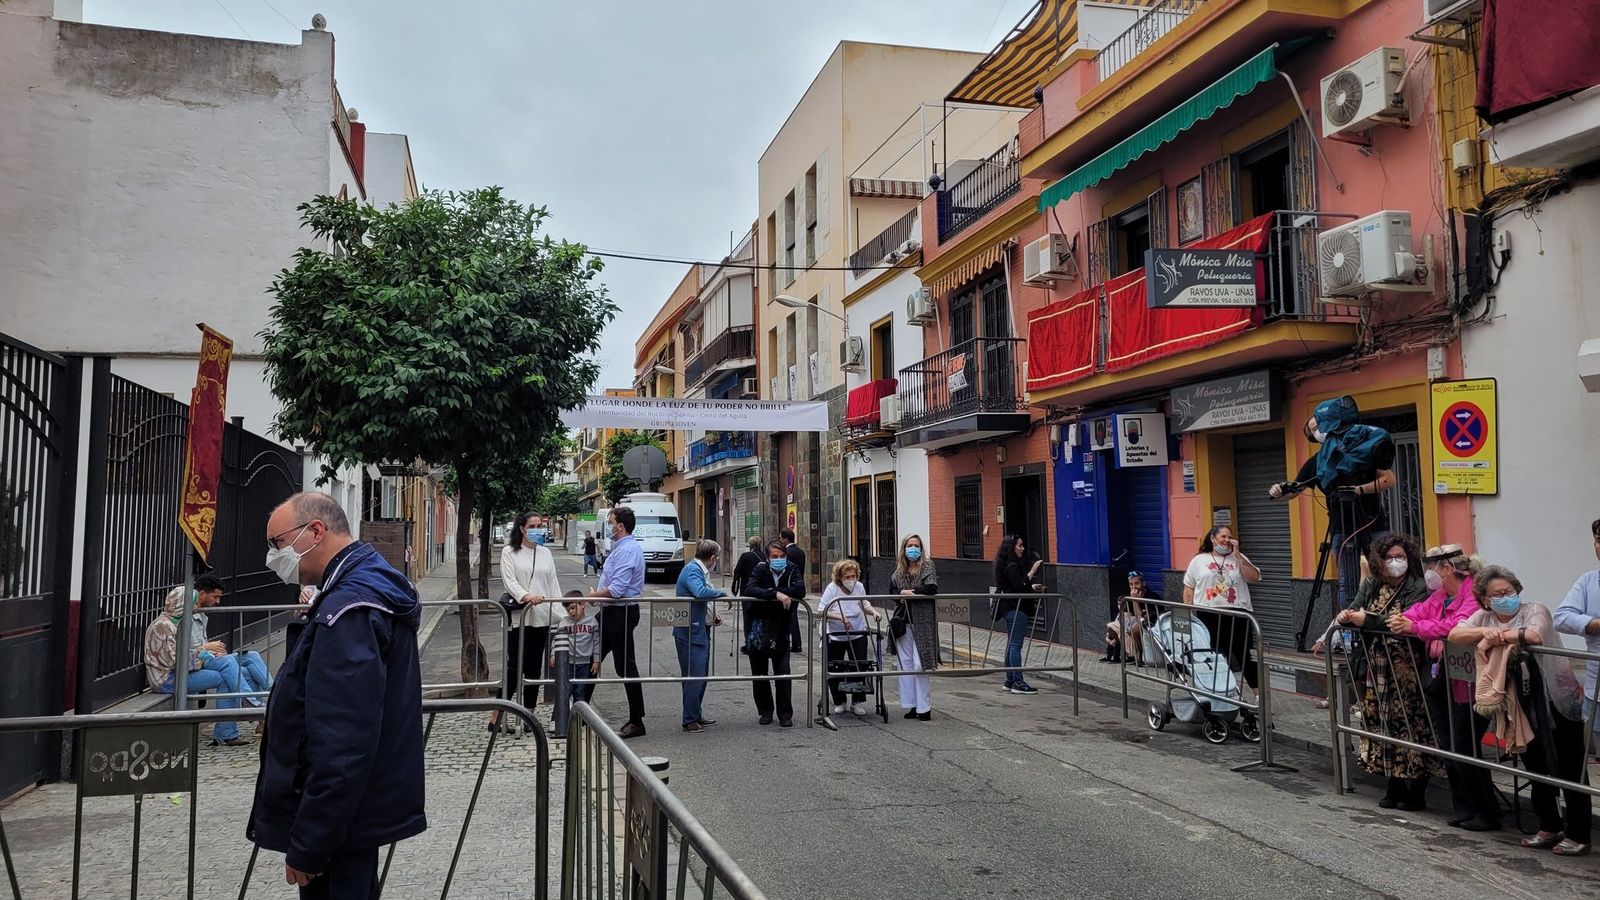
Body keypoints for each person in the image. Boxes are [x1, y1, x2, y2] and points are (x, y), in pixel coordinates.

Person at [250, 492, 425, 898]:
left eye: (277, 543)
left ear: (315, 531)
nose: (273, 556)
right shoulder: (356, 588)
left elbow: (343, 743)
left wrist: (311, 843)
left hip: (340, 828)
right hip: (352, 821)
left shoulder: (349, 609)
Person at [1452, 565, 1591, 856]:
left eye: (1510, 591)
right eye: (1497, 594)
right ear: (1485, 599)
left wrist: (1497, 637)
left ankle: (1579, 832)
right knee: (1535, 762)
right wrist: (1487, 631)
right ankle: (1549, 824)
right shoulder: (1485, 617)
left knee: (1570, 764)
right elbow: (1456, 634)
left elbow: (1536, 634)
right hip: (1520, 704)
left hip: (1557, 698)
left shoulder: (1534, 609)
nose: (1506, 597)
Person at [1393, 545, 1498, 830]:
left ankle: (1486, 811)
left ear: (1447, 568)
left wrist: (1415, 627)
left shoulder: (1472, 595)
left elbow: (1455, 627)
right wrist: (1405, 620)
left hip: (1470, 681)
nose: (1429, 574)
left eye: (1432, 568)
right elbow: (1416, 612)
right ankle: (1464, 807)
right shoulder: (1440, 596)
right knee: (1450, 745)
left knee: (1465, 746)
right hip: (1441, 678)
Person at [1337, 533, 1440, 812]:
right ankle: (1393, 785)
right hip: (1377, 669)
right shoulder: (1372, 583)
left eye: (1401, 557)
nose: (1397, 562)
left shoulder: (1418, 587)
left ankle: (1417, 789)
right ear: (1379, 561)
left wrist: (1368, 620)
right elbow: (1354, 607)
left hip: (1409, 670)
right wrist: (1346, 616)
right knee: (1383, 723)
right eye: (1390, 557)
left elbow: (1406, 621)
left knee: (1413, 726)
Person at [1270, 396, 1396, 610]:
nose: (1318, 431)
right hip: (1341, 527)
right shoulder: (1318, 462)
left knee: (1385, 576)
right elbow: (1294, 490)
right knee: (1347, 583)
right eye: (1313, 429)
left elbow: (1389, 479)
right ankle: (1349, 629)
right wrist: (1278, 490)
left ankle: (1384, 619)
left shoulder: (1365, 450)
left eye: (1319, 425)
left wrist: (1359, 490)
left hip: (1373, 524)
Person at [144, 582, 247, 746]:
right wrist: (202, 651)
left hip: (174, 674)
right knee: (223, 677)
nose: (195, 607)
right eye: (193, 603)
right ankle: (231, 726)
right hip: (166, 679)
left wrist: (204, 653)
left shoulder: (172, 622)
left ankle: (231, 725)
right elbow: (174, 661)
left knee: (225, 671)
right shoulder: (164, 626)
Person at [494, 510, 561, 731]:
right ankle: (497, 715)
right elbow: (509, 581)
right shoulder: (509, 552)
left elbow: (553, 583)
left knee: (533, 669)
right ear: (522, 529)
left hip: (540, 618)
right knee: (514, 668)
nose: (536, 530)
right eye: (532, 527)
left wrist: (562, 612)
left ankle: (528, 716)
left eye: (539, 525)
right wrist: (526, 596)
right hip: (518, 616)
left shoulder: (545, 554)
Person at [1181, 526, 1264, 692]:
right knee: (1213, 655)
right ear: (1213, 538)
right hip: (1208, 614)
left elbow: (1254, 577)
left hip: (1237, 615)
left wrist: (1238, 556)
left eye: (1229, 537)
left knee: (1245, 656)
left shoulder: (1238, 558)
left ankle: (1258, 697)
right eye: (1223, 536)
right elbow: (1189, 588)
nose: (1226, 540)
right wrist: (1188, 614)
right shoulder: (1199, 560)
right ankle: (1218, 692)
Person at [589, 506, 647, 739]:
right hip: (612, 612)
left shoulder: (627, 550)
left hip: (619, 613)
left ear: (620, 526)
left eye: (611, 522)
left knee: (623, 666)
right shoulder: (621, 548)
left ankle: (636, 720)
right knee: (590, 658)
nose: (609, 526)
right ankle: (578, 709)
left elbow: (617, 590)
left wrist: (592, 596)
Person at [741, 540, 806, 726]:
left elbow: (799, 590)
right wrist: (775, 595)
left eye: (782, 557)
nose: (779, 560)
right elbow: (750, 588)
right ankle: (765, 711)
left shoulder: (792, 569)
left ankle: (785, 714)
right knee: (760, 673)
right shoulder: (759, 569)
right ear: (768, 558)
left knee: (783, 672)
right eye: (775, 557)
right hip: (759, 626)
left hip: (782, 626)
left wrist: (775, 591)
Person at [1554, 517, 1600, 754]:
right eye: (1598, 539)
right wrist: (1595, 624)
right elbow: (1561, 617)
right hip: (1597, 689)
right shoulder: (1588, 581)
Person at [819, 558, 881, 714]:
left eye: (853, 576)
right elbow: (821, 611)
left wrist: (874, 612)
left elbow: (864, 603)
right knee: (835, 668)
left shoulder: (859, 587)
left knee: (858, 666)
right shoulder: (832, 589)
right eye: (847, 577)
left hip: (857, 632)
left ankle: (856, 701)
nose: (851, 580)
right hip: (836, 634)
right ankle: (839, 701)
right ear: (840, 577)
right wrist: (840, 617)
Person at [675, 540, 725, 733]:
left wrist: (713, 617)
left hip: (700, 628)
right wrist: (722, 594)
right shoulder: (693, 571)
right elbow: (700, 592)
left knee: (701, 675)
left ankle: (695, 712)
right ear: (712, 558)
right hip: (689, 631)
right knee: (694, 676)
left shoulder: (700, 570)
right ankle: (689, 719)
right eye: (717, 557)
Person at [889, 534, 939, 720]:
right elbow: (892, 590)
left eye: (916, 545)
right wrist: (901, 593)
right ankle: (910, 705)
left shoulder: (927, 565)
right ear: (904, 548)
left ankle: (924, 707)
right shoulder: (900, 569)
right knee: (905, 664)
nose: (913, 549)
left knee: (921, 664)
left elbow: (932, 587)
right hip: (903, 621)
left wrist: (910, 593)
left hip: (922, 620)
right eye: (910, 545)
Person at [992, 534, 1044, 695]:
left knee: (1011, 645)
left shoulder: (1005, 564)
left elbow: (1014, 586)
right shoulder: (1012, 565)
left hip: (1010, 608)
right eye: (1020, 545)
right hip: (1016, 608)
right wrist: (1033, 571)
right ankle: (1018, 682)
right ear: (1012, 547)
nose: (1023, 548)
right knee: (1015, 646)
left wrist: (1032, 586)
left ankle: (1010, 680)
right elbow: (1019, 585)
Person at [552, 592, 601, 705]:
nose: (571, 612)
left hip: (584, 664)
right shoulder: (564, 623)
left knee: (580, 693)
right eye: (568, 610)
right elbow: (556, 640)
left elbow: (596, 642)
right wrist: (553, 654)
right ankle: (557, 720)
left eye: (573, 608)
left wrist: (596, 660)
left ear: (582, 604)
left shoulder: (592, 622)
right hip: (567, 663)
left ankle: (577, 720)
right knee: (564, 692)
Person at [1103, 571, 1161, 664]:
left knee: (1135, 630)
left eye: (1137, 583)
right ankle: (1121, 653)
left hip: (1152, 624)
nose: (1134, 587)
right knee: (1113, 627)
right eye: (1131, 584)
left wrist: (1135, 600)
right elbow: (1125, 617)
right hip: (1135, 623)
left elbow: (1141, 620)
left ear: (1143, 583)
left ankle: (1141, 656)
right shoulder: (1129, 595)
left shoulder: (1151, 597)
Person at [780, 527, 807, 653]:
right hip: (798, 587)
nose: (780, 540)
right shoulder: (800, 552)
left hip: (788, 589)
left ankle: (793, 643)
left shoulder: (786, 553)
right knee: (793, 615)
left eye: (781, 538)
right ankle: (797, 643)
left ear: (785, 539)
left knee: (789, 616)